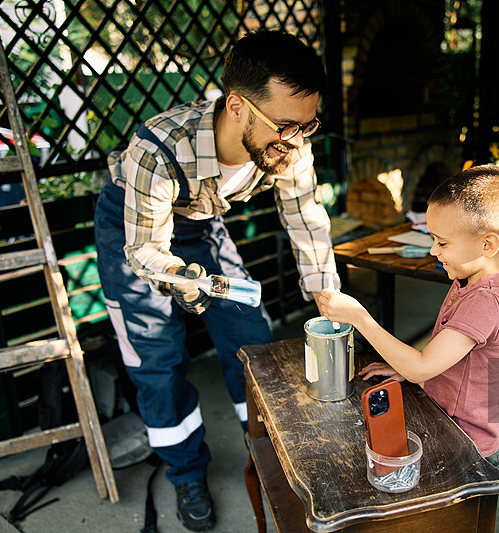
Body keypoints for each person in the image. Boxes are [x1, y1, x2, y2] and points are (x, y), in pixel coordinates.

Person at [94, 30, 339, 531]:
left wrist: (327, 296)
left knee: (252, 335)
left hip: (202, 223)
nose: (297, 139)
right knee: (155, 352)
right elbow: (145, 250)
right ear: (237, 106)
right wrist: (178, 277)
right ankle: (186, 471)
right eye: (287, 125)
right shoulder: (158, 148)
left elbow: (305, 219)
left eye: (308, 124)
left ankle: (269, 452)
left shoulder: (290, 143)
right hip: (132, 225)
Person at [319, 165, 499, 468]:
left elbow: (422, 368)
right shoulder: (469, 282)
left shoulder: (486, 301)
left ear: (488, 244)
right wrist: (407, 369)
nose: (433, 251)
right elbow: (443, 358)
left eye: (442, 242)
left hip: (467, 449)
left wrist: (359, 318)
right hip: (446, 425)